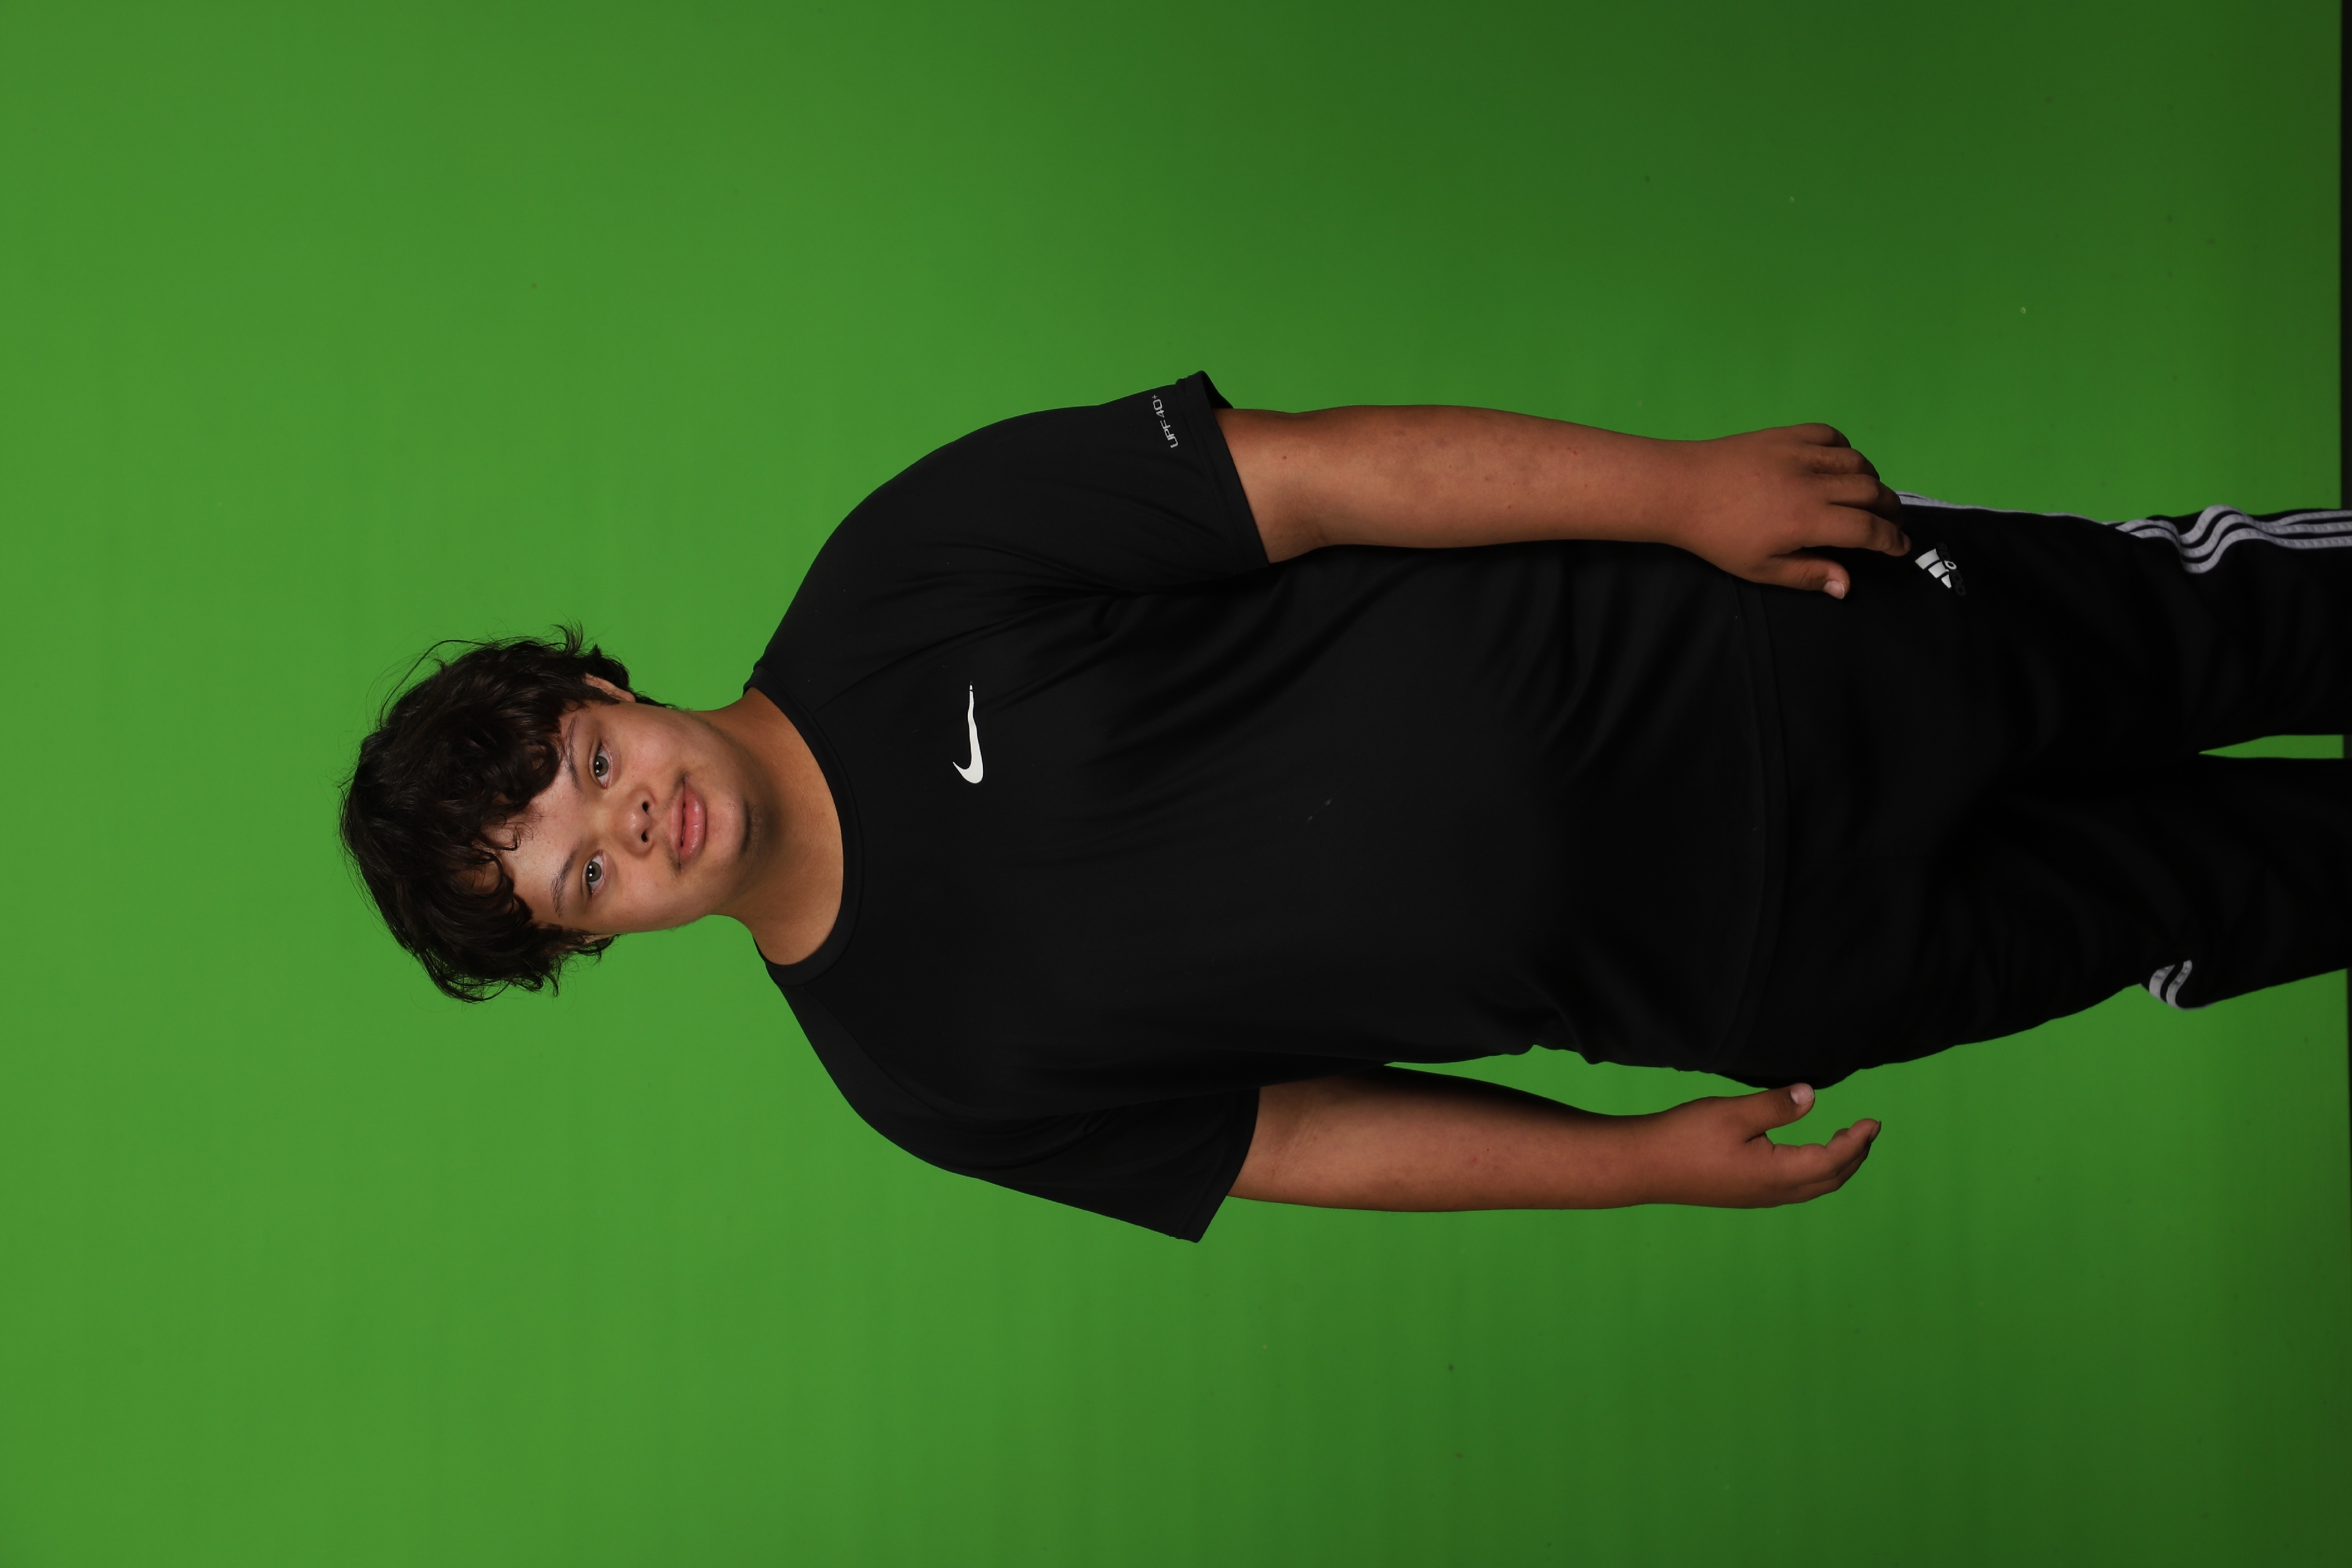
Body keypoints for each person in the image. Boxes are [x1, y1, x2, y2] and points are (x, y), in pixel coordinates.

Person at [340, 374, 2352, 1240]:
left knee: (2236, 625)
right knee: (2226, 895)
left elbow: (1309, 479)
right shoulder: (918, 1075)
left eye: (589, 769)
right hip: (1765, 963)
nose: (630, 825)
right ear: (596, 940)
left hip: (1761, 650)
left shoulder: (901, 572)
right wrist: (1631, 1169)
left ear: (608, 692)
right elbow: (1300, 1138)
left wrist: (1680, 490)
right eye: (579, 878)